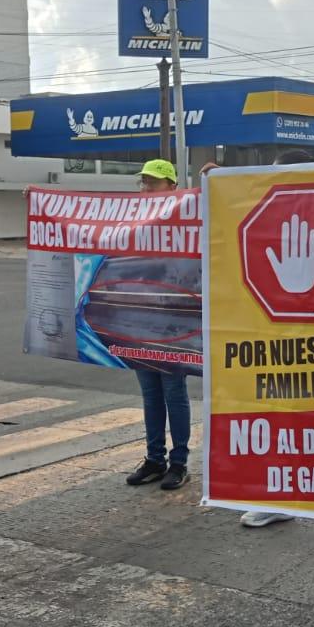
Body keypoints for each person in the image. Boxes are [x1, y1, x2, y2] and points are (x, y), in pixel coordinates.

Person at [211, 150, 314, 545]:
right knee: (283, 426)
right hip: (276, 345)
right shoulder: (266, 217)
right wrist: (220, 186)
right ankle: (281, 499)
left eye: (278, 174)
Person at [124, 158, 193, 491]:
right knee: (150, 395)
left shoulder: (188, 217)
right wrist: (37, 200)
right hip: (140, 320)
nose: (145, 188)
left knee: (173, 393)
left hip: (173, 323)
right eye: (143, 182)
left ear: (172, 187)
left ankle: (178, 463)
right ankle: (154, 459)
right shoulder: (132, 220)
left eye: (153, 182)